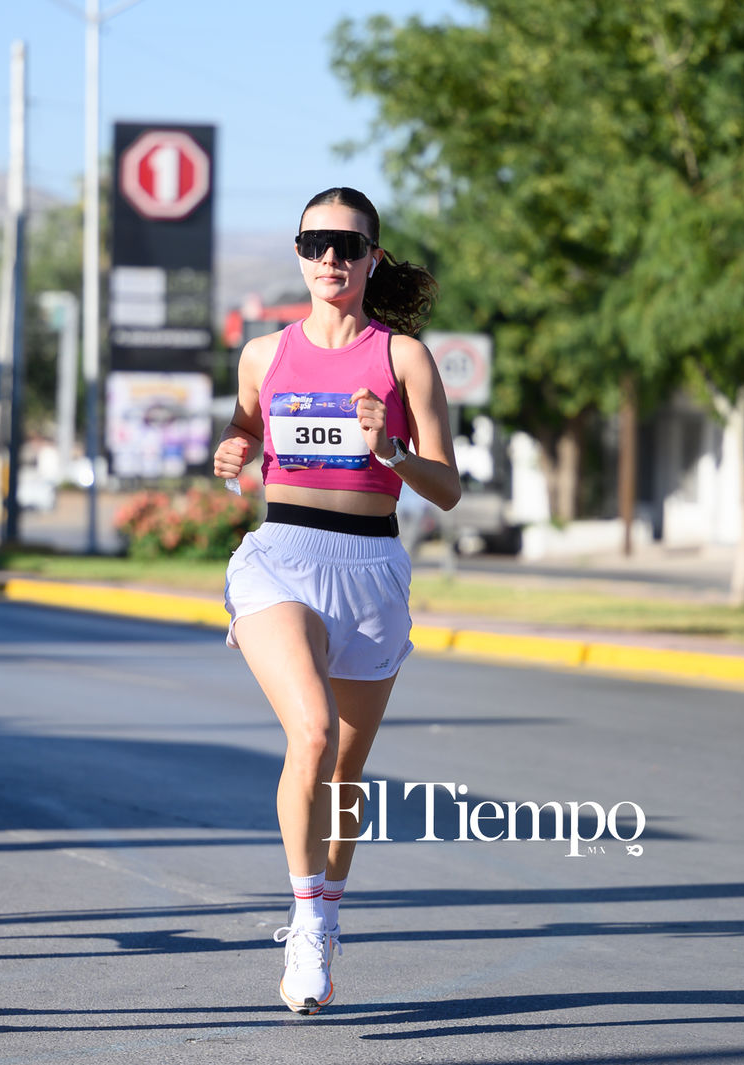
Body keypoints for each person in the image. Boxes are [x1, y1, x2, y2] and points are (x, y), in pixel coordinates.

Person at [213, 187, 461, 1015]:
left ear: (371, 259)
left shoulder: (403, 359)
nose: (331, 258)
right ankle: (307, 916)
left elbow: (449, 486)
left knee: (345, 771)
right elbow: (248, 424)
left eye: (348, 246)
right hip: (279, 555)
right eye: (316, 242)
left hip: (370, 567)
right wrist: (236, 445)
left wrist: (390, 449)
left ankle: (328, 909)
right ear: (299, 252)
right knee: (310, 733)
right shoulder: (262, 352)